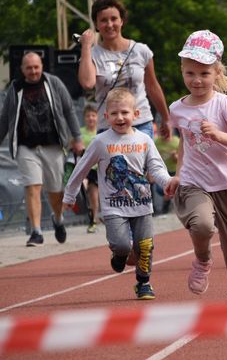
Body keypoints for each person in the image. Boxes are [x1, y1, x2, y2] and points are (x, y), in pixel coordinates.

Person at [166, 30, 227, 305]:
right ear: (182, 71)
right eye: (190, 73)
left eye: (204, 73)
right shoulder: (177, 109)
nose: (197, 80)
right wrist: (178, 175)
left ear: (216, 73)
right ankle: (203, 260)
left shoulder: (224, 104)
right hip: (194, 183)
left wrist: (218, 135)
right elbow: (183, 145)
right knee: (202, 226)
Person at [63, 88, 172, 299]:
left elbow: (156, 168)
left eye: (124, 112)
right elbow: (81, 168)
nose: (120, 117)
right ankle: (119, 255)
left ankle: (143, 282)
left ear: (135, 114)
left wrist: (167, 181)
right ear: (106, 117)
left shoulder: (144, 140)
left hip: (142, 205)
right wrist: (70, 195)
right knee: (122, 244)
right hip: (114, 206)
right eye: (114, 113)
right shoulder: (101, 141)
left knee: (145, 245)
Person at [0, 52, 84, 247]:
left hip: (53, 146)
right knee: (32, 186)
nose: (33, 71)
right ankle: (36, 231)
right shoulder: (15, 89)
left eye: (36, 67)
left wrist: (77, 138)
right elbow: (5, 120)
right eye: (29, 68)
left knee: (55, 190)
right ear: (22, 69)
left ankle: (58, 218)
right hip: (26, 147)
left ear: (42, 66)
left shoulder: (53, 83)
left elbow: (69, 110)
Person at [77, 0, 171, 140]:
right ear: (96, 24)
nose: (109, 25)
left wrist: (166, 118)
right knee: (112, 164)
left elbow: (153, 87)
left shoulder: (141, 50)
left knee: (140, 164)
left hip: (140, 123)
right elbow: (87, 83)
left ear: (122, 21)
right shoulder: (92, 54)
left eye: (114, 19)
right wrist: (86, 47)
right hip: (108, 126)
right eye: (103, 20)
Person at [80, 104, 99, 232]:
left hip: (99, 167)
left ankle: (95, 219)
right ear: (84, 118)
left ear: (97, 117)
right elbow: (72, 145)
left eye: (93, 115)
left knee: (96, 195)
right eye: (88, 116)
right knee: (87, 189)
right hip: (85, 167)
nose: (90, 118)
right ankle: (92, 219)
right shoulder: (80, 133)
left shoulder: (101, 131)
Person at [154, 128, 180, 214]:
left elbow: (181, 160)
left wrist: (175, 157)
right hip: (163, 171)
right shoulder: (156, 142)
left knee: (171, 188)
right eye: (162, 131)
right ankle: (169, 204)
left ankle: (166, 207)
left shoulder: (177, 141)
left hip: (174, 170)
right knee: (160, 189)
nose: (165, 134)